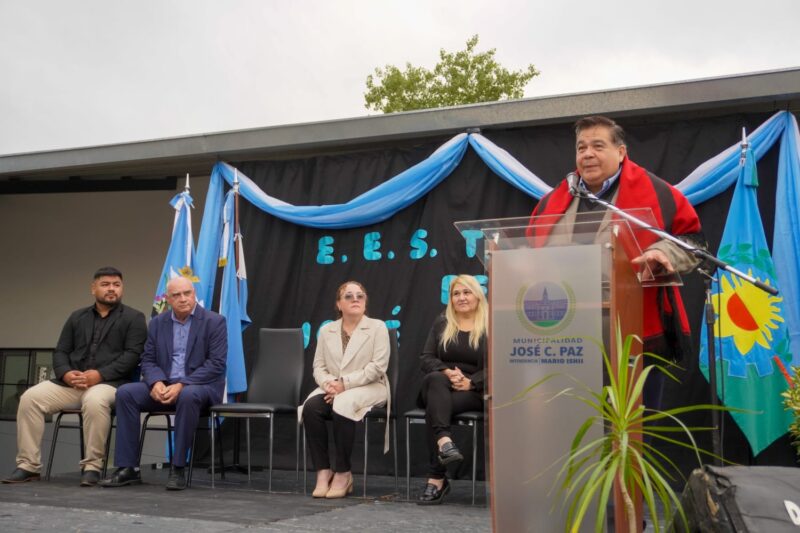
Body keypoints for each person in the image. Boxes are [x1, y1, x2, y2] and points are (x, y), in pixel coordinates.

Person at [526, 115, 703, 408]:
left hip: (634, 331)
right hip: (563, 335)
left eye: (598, 146)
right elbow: (526, 252)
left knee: (632, 431)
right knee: (571, 423)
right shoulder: (552, 202)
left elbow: (694, 242)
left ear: (621, 152)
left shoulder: (658, 193)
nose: (587, 154)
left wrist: (664, 254)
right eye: (581, 148)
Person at [2, 267, 147, 486]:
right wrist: (67, 373)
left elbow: (132, 356)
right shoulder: (77, 317)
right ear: (93, 288)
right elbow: (60, 351)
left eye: (116, 285)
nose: (111, 289)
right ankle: (28, 466)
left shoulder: (134, 318)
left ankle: (92, 467)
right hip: (71, 384)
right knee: (30, 398)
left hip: (110, 384)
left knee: (94, 400)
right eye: (105, 284)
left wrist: (98, 375)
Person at [99, 276, 226, 491]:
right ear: (168, 299)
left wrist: (182, 384)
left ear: (195, 294)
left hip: (201, 388)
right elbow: (147, 359)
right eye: (176, 295)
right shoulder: (158, 323)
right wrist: (156, 381)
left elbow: (216, 364)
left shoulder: (214, 321)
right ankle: (127, 468)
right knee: (126, 393)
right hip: (164, 387)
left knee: (187, 395)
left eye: (187, 293)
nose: (183, 299)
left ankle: (177, 468)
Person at [300, 281, 390, 499]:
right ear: (339, 304)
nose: (355, 299)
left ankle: (343, 472)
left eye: (360, 295)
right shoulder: (326, 330)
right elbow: (318, 367)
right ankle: (323, 471)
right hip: (333, 387)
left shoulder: (378, 327)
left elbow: (378, 367)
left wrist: (344, 384)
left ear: (365, 301)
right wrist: (331, 384)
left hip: (370, 386)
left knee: (343, 403)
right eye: (348, 296)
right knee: (311, 408)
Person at [416, 274, 487, 505]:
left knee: (435, 411)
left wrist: (472, 382)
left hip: (475, 392)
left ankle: (436, 478)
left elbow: (501, 363)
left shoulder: (490, 324)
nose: (461, 297)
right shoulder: (442, 322)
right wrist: (447, 372)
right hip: (443, 385)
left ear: (477, 295)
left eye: (466, 292)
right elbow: (426, 358)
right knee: (435, 378)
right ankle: (445, 442)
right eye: (456, 293)